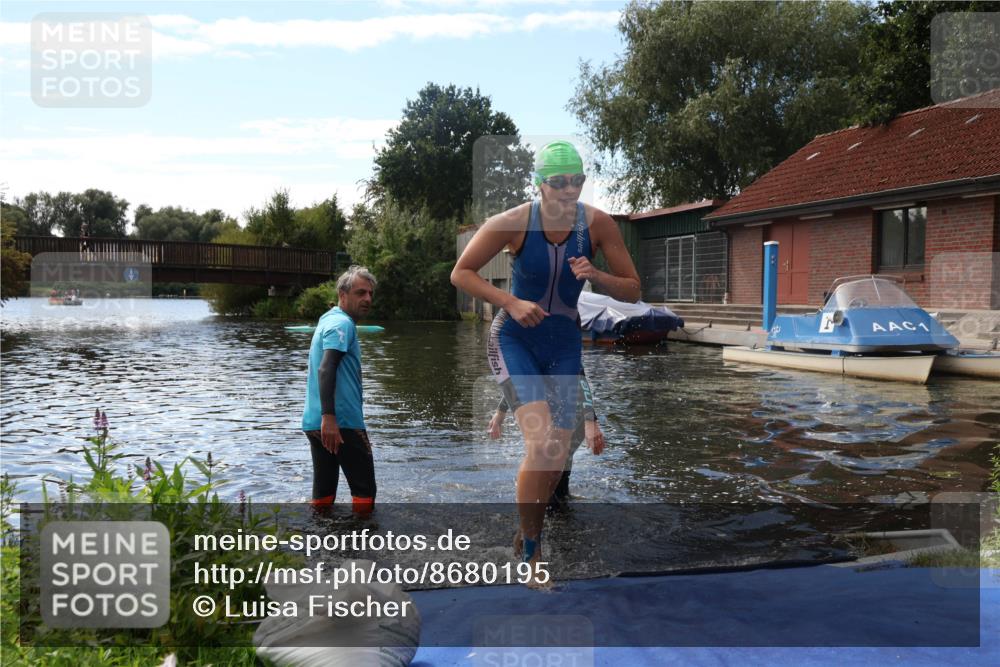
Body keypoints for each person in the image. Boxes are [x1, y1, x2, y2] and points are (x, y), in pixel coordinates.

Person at [451, 140, 640, 583]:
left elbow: (633, 288)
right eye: (558, 182)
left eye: (577, 180)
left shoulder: (598, 226)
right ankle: (531, 557)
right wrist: (510, 301)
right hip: (515, 338)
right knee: (538, 446)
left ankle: (525, 532)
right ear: (539, 184)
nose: (569, 190)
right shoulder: (514, 222)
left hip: (563, 345)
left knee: (555, 455)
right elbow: (461, 272)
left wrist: (597, 276)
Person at [301, 266, 377, 514]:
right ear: (343, 295)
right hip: (340, 423)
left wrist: (324, 418)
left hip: (315, 423)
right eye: (360, 293)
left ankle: (322, 544)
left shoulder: (328, 319)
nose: (367, 299)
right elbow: (326, 368)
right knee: (365, 493)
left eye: (370, 294)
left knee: (323, 495)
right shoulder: (342, 325)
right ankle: (365, 549)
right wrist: (330, 417)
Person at [488, 370, 605, 510]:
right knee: (548, 459)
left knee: (556, 462)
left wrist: (590, 420)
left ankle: (551, 505)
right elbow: (518, 380)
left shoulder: (566, 354)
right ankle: (553, 503)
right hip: (555, 413)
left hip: (578, 415)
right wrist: (500, 412)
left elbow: (581, 381)